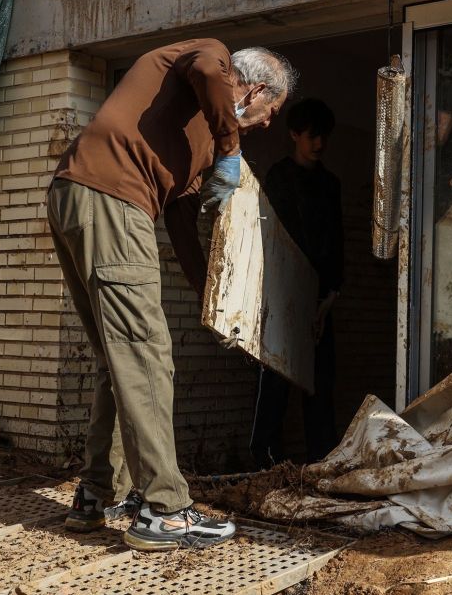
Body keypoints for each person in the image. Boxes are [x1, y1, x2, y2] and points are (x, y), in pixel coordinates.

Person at [47, 39, 295, 551]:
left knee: (116, 361)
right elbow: (208, 67)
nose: (269, 123)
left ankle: (97, 494)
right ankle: (165, 511)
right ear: (257, 90)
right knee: (146, 357)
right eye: (273, 111)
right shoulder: (211, 58)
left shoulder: (197, 138)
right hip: (114, 198)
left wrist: (213, 299)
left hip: (80, 195)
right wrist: (231, 150)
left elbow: (181, 220)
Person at [249, 98, 343, 467]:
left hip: (321, 297)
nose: (320, 144)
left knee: (320, 383)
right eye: (312, 136)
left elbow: (335, 244)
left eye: (325, 137)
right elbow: (276, 241)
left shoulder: (330, 184)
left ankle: (321, 464)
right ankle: (263, 463)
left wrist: (329, 296)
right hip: (285, 294)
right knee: (275, 378)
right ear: (294, 134)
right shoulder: (279, 177)